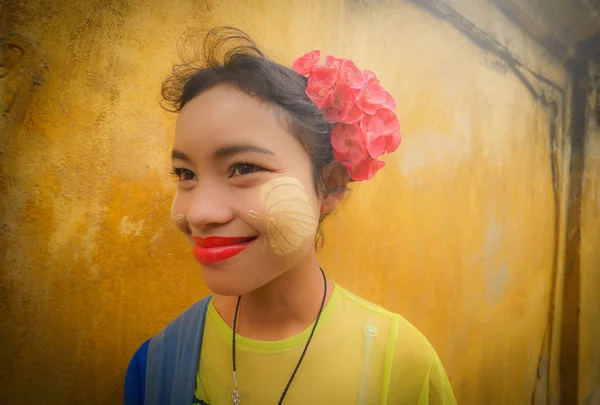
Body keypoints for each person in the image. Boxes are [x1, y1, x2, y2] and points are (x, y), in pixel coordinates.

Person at [124, 27, 457, 405]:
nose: (198, 213)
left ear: (329, 186)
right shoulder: (156, 367)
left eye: (243, 167)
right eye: (186, 175)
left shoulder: (400, 366)